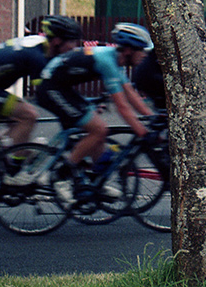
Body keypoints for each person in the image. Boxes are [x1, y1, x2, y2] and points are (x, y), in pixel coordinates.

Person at [35, 18, 154, 204]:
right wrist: (144, 132)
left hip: (62, 87)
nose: (144, 56)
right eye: (142, 51)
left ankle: (96, 182)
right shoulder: (108, 62)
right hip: (50, 89)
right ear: (129, 50)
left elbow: (130, 93)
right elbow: (122, 107)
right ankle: (60, 176)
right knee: (99, 129)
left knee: (98, 134)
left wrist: (151, 116)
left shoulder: (114, 60)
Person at [0, 19, 71, 176]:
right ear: (58, 41)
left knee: (19, 126)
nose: (74, 47)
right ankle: (15, 171)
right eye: (73, 42)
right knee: (28, 115)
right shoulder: (36, 57)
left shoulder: (42, 45)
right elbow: (45, 94)